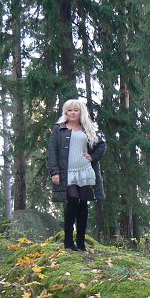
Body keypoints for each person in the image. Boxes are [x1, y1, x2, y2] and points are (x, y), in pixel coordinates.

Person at [47, 99, 106, 251]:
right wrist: (54, 172)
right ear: (65, 112)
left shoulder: (88, 128)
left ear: (81, 112)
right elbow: (52, 151)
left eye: (76, 110)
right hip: (67, 173)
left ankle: (81, 243)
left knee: (83, 204)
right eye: (69, 110)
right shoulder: (59, 129)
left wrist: (92, 157)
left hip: (85, 171)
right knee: (72, 200)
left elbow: (101, 145)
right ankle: (68, 242)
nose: (72, 113)